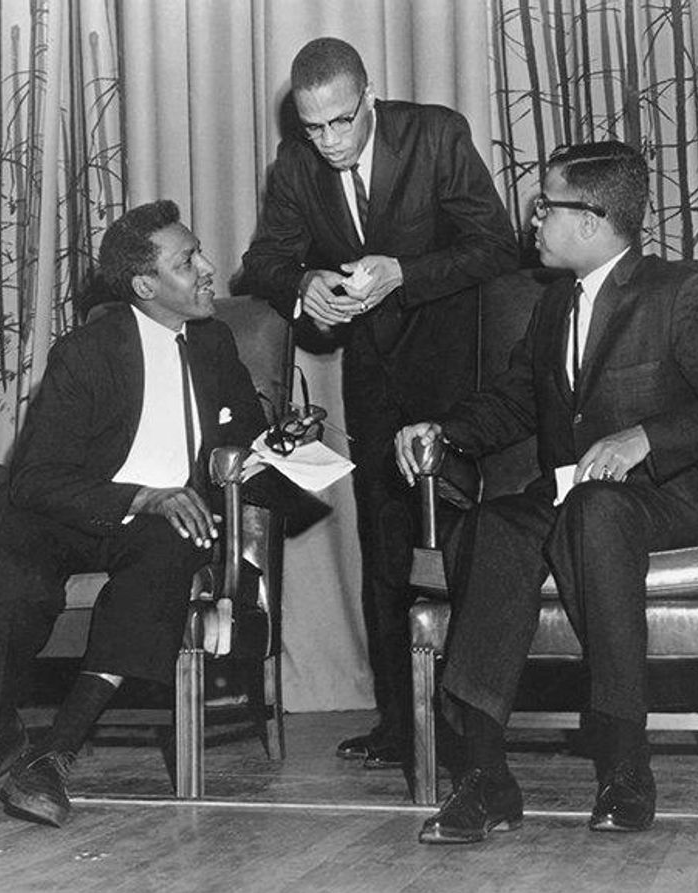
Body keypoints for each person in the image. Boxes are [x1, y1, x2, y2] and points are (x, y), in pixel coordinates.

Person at [395, 141, 698, 844]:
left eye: (547, 206)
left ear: (593, 219)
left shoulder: (676, 294)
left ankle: (624, 761)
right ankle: (486, 776)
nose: (534, 219)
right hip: (577, 500)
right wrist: (445, 428)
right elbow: (517, 402)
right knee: (491, 524)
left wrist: (648, 436)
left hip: (666, 502)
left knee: (594, 507)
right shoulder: (555, 307)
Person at [0, 199, 270, 827]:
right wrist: (140, 494)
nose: (206, 267)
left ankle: (55, 752)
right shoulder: (85, 352)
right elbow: (35, 478)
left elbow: (246, 429)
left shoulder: (215, 342)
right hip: (70, 513)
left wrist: (274, 439)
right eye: (186, 259)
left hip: (159, 527)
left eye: (197, 252)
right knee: (14, 580)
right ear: (145, 286)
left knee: (172, 546)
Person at [241, 37, 519, 770]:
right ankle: (402, 723)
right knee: (386, 553)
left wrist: (404, 274)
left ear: (368, 98)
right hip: (375, 381)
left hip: (464, 370)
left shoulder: (435, 133)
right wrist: (304, 286)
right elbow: (262, 261)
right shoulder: (298, 165)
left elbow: (496, 247)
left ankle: (467, 728)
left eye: (340, 121)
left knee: (462, 542)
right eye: (313, 127)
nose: (329, 142)